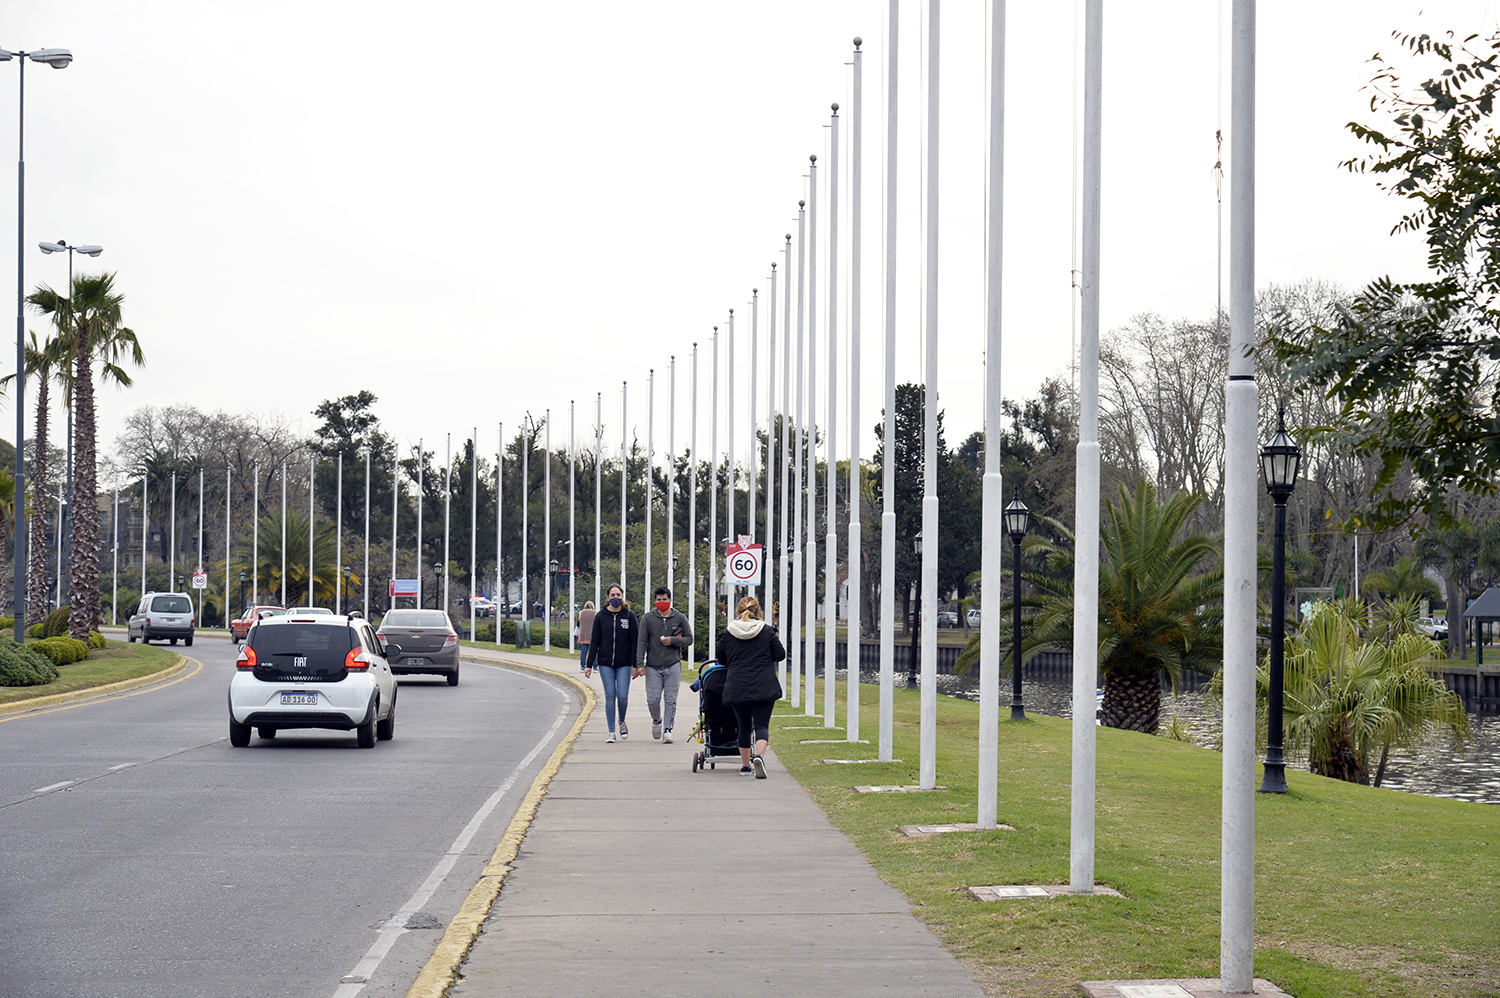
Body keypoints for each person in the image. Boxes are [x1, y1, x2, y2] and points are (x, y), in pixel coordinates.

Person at [717, 595, 785, 778]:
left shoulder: (728, 633)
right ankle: (760, 758)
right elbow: (780, 654)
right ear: (758, 611)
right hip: (764, 684)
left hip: (738, 684)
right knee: (762, 725)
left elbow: (721, 658)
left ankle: (746, 766)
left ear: (738, 612)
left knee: (744, 726)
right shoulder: (767, 631)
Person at [637, 585, 693, 744]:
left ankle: (668, 729)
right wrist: (639, 664)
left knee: (670, 699)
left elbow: (689, 639)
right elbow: (642, 642)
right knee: (653, 699)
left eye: (665, 599)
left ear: (670, 600)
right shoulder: (648, 618)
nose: (662, 602)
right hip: (653, 666)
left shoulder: (679, 618)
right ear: (655, 601)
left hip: (673, 664)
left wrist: (673, 641)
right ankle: (657, 721)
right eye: (659, 600)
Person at [585, 585, 639, 743]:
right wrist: (589, 664)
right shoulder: (601, 616)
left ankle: (622, 721)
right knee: (610, 696)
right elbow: (594, 641)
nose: (616, 597)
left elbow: (635, 642)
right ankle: (611, 732)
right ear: (608, 597)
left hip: (624, 663)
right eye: (613, 595)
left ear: (622, 596)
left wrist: (636, 664)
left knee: (622, 696)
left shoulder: (629, 616)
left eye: (619, 594)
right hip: (605, 663)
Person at [576, 600, 596, 671]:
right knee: (594, 651)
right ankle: (595, 667)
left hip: (583, 635)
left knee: (583, 652)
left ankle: (582, 666)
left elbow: (578, 624)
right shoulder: (595, 613)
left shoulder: (581, 613)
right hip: (593, 635)